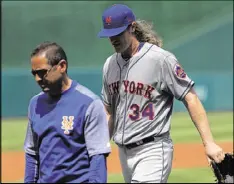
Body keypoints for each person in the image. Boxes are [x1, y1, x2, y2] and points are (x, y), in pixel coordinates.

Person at [97, 4, 225, 183]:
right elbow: (109, 111)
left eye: (118, 33)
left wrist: (209, 143)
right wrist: (98, 148)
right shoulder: (109, 65)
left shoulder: (160, 59)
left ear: (132, 27)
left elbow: (190, 97)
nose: (113, 39)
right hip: (123, 153)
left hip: (153, 149)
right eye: (109, 35)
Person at [24, 41, 111, 183]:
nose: (37, 79)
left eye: (42, 72)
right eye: (34, 73)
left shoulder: (89, 104)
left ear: (62, 66)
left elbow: (97, 158)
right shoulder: (35, 104)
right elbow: (32, 154)